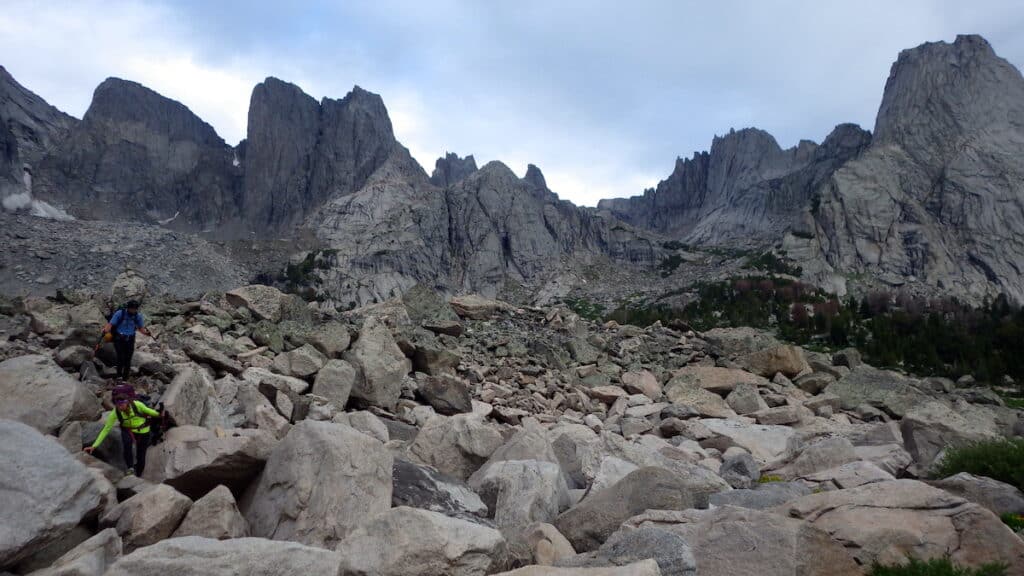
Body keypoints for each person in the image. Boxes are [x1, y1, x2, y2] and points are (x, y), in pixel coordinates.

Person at [84, 384, 160, 475]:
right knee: (127, 446)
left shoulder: (137, 405)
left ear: (127, 402)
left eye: (122, 405)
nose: (120, 407)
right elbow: (106, 429)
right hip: (127, 430)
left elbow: (152, 413)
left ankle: (139, 474)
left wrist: (160, 414)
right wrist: (94, 446)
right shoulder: (115, 412)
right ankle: (130, 468)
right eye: (118, 405)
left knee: (141, 454)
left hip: (143, 431)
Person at [104, 300, 150, 379]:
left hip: (130, 339)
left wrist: (146, 333)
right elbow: (111, 324)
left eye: (135, 309)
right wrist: (106, 330)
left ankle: (125, 378)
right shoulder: (120, 313)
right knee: (120, 357)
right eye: (132, 308)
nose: (133, 310)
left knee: (128, 359)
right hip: (119, 338)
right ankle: (119, 376)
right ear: (128, 308)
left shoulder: (137, 316)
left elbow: (141, 328)